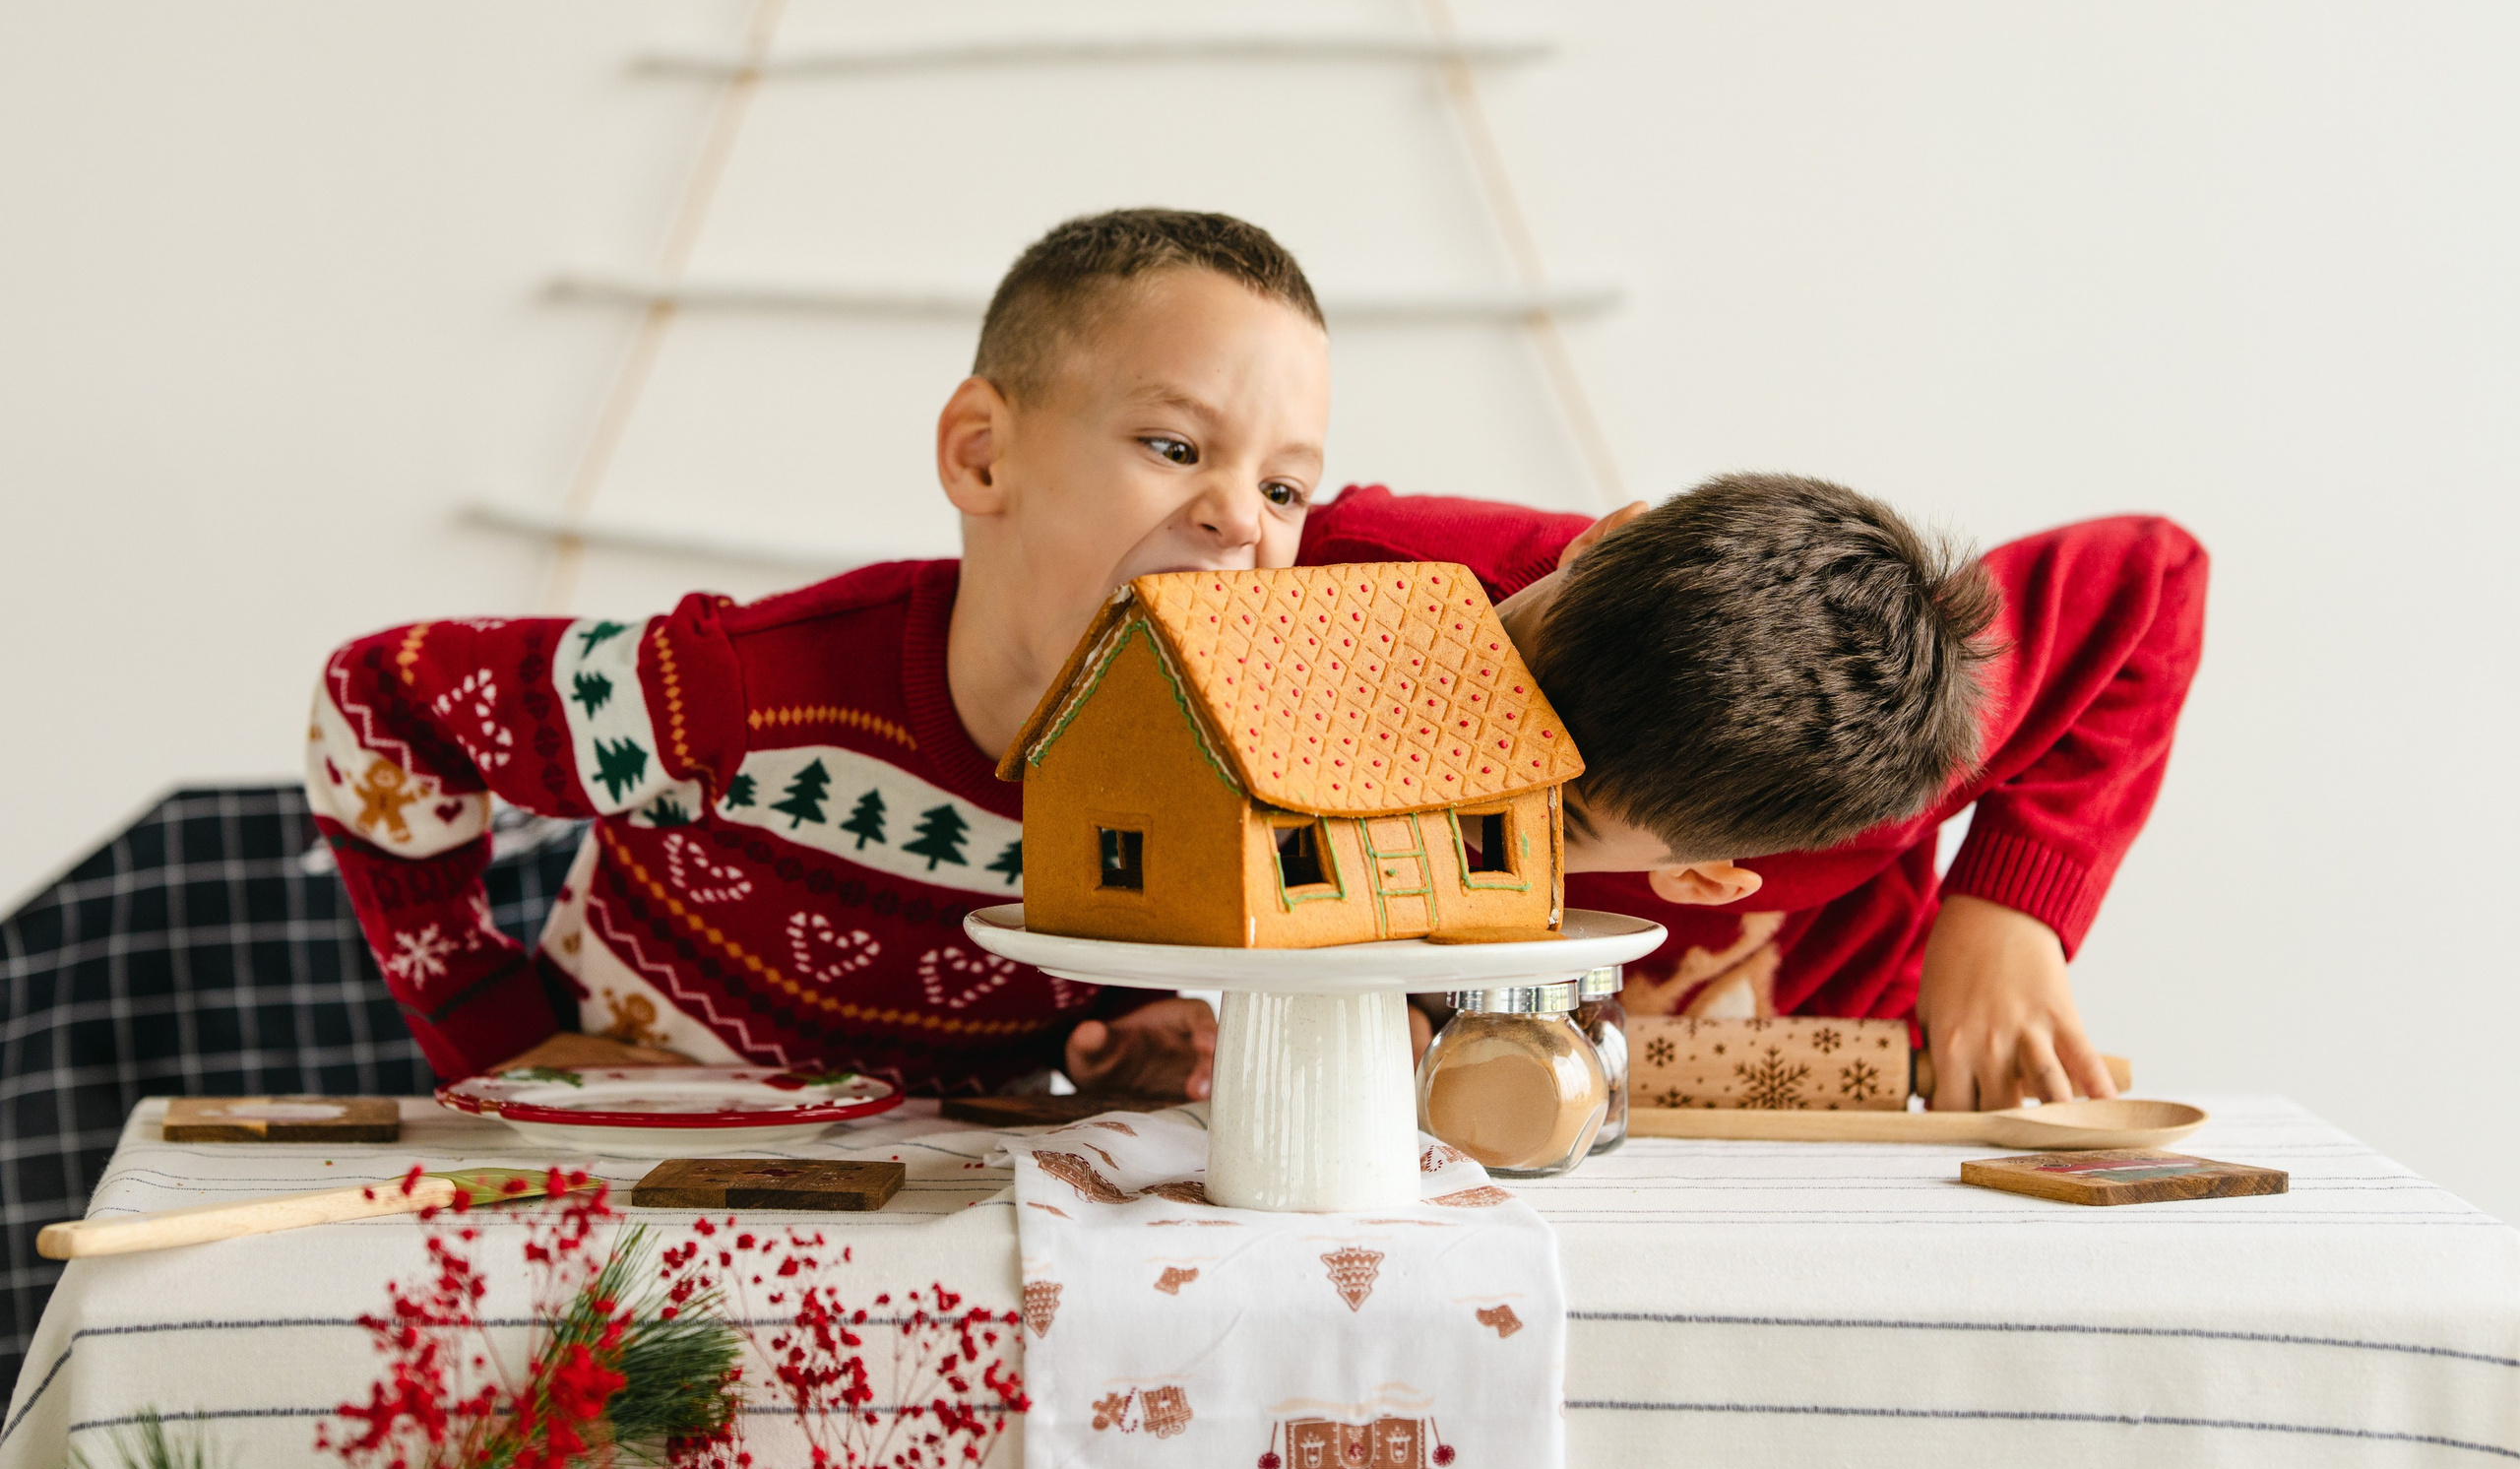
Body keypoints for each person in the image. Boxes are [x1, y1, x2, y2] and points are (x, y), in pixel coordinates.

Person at [306, 208, 1329, 1097]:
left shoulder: (1204, 775)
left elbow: (1060, 957)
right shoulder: (732, 694)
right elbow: (380, 703)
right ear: (981, 455)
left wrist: (1125, 1026)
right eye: (1175, 447)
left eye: (1284, 489)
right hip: (622, 1199)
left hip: (930, 1241)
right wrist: (494, 1042)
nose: (1240, 519)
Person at [1298, 479, 2206, 1111]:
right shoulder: (1356, 579)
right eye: (1500, 664)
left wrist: (2007, 916)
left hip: (1807, 1086)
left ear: (1703, 876)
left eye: (1552, 816)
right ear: (1600, 543)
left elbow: (2155, 578)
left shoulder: (1900, 729)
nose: (1473, 757)